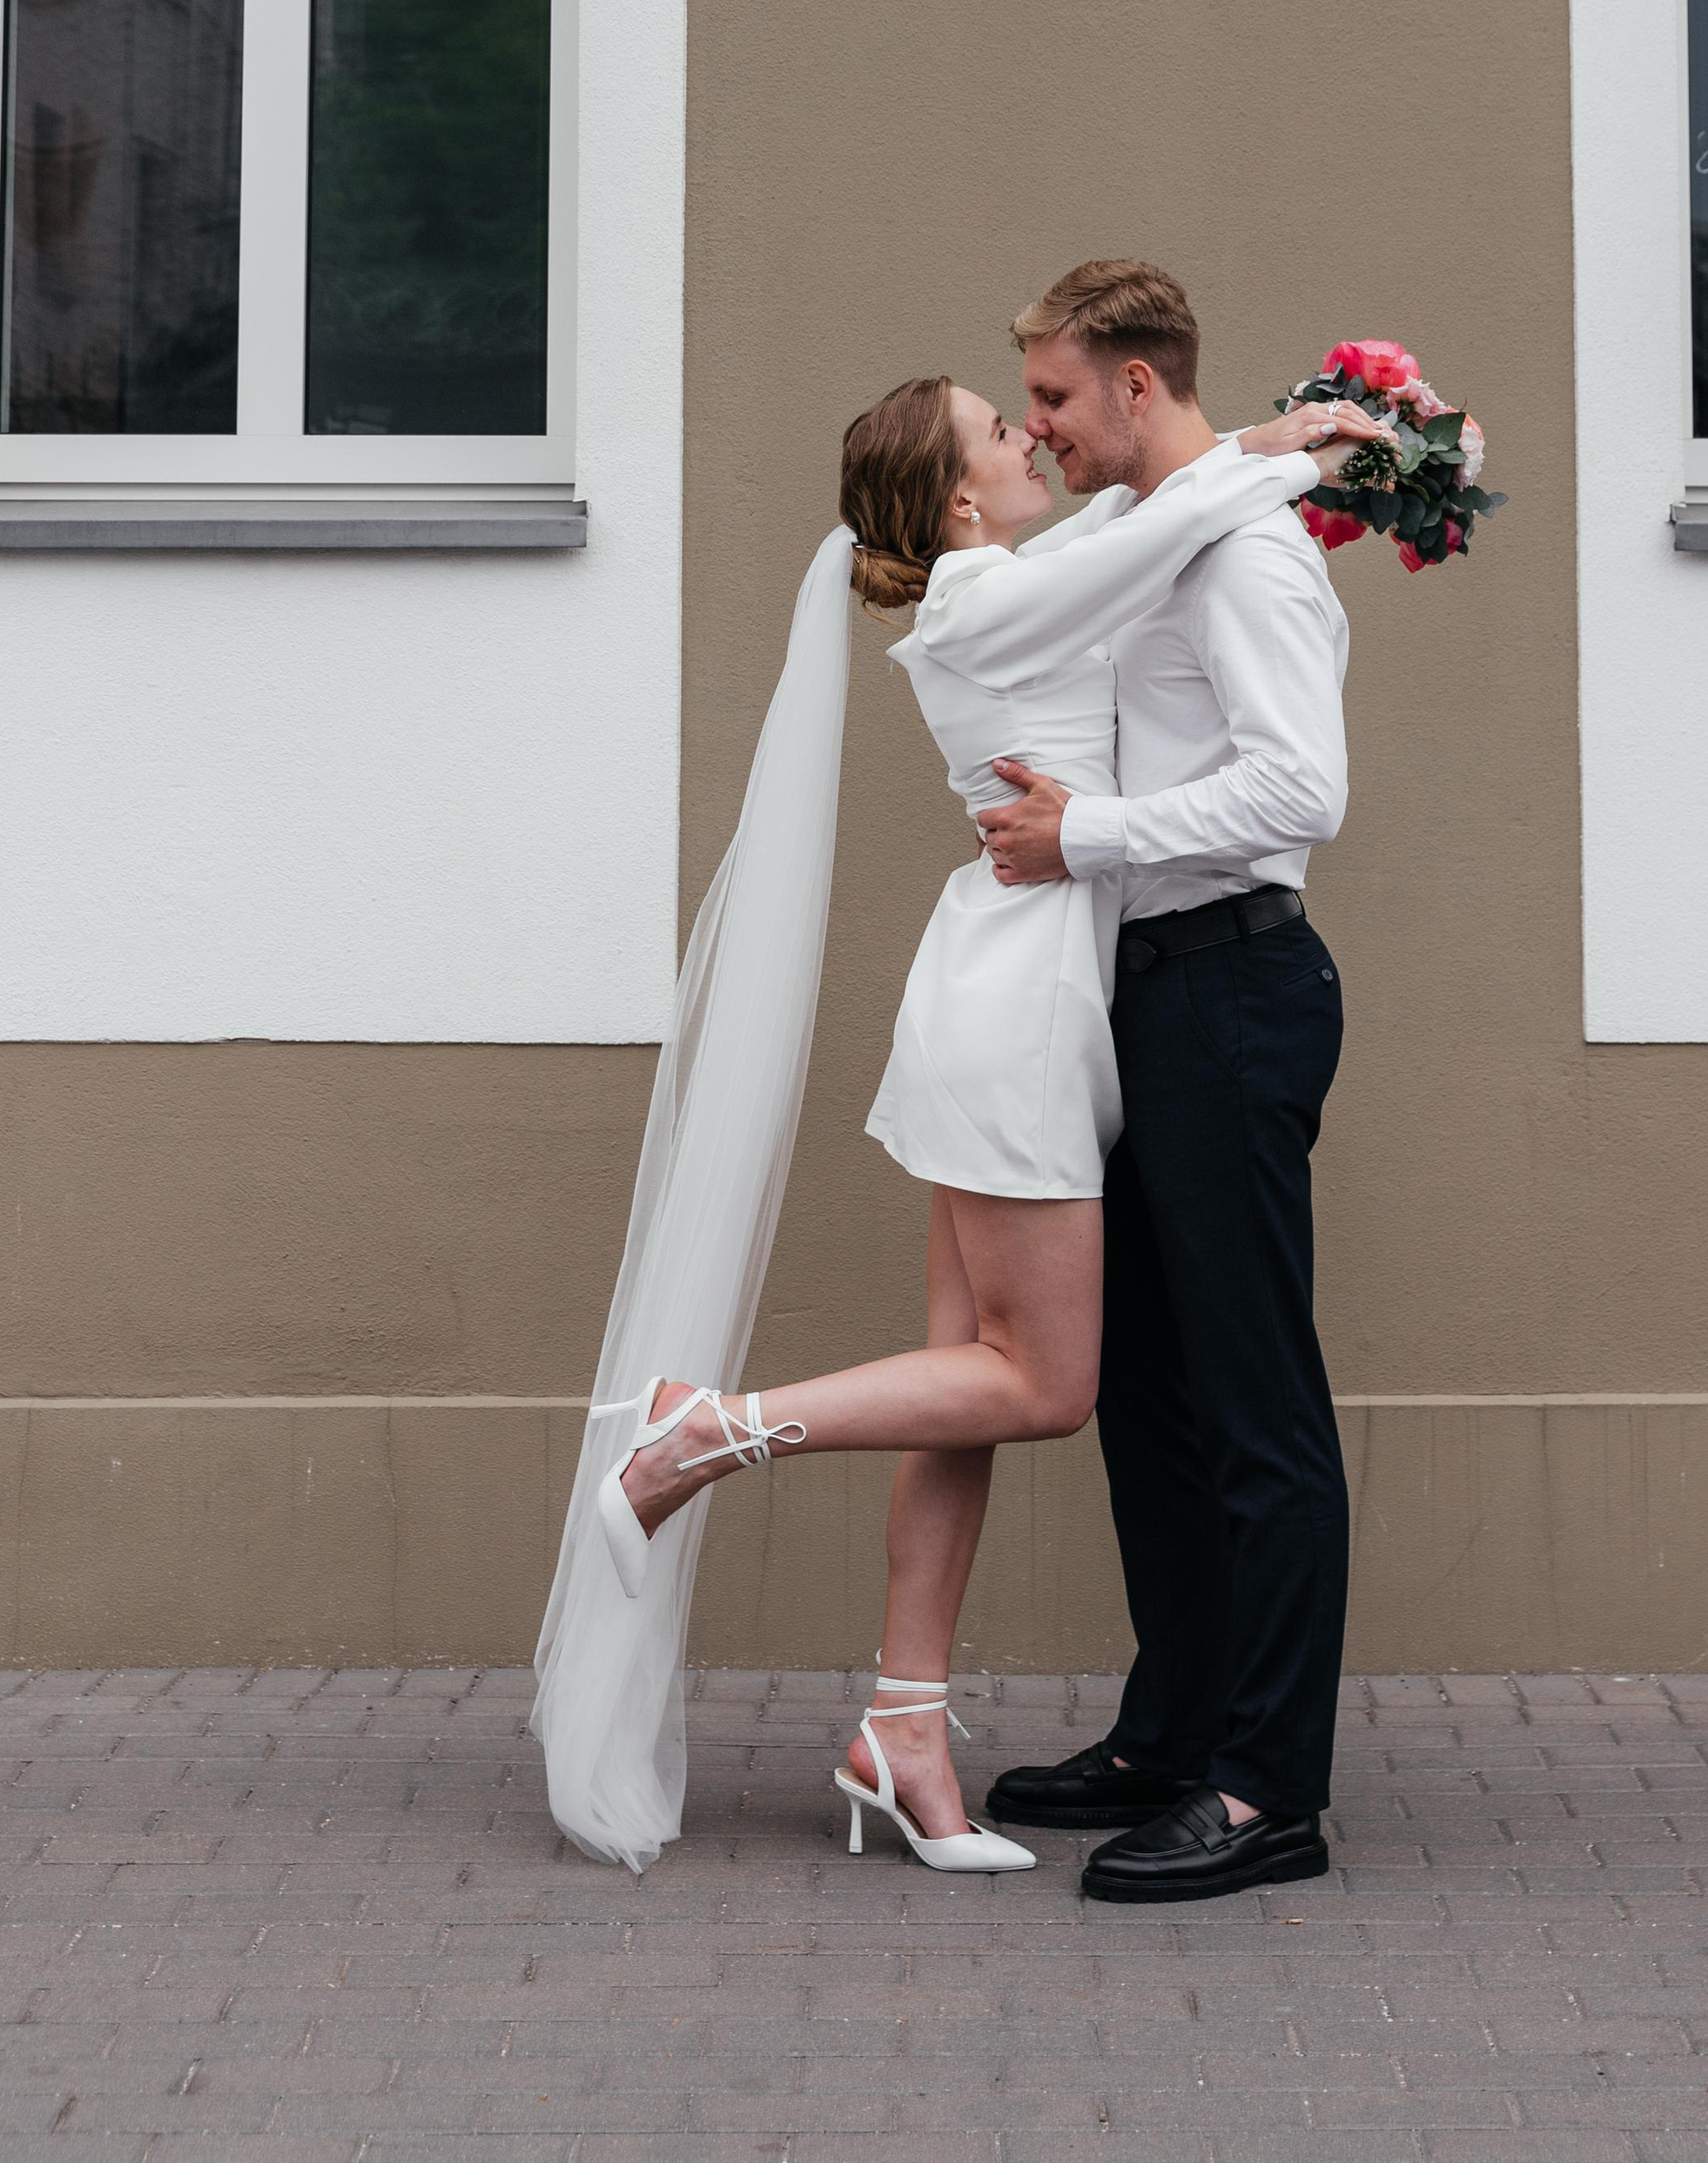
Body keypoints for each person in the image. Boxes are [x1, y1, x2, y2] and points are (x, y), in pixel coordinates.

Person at [531, 346, 1377, 1876]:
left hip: (1008, 987)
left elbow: (1136, 531)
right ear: (955, 497)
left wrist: (1268, 433)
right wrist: (1329, 450)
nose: (1031, 435)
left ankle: (903, 1725)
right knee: (1044, 1387)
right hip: (1026, 1009)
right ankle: (705, 1431)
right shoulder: (987, 599)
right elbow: (1153, 532)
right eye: (1006, 429)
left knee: (963, 1387)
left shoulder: (999, 584)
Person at [974, 259, 1355, 1905]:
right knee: (1148, 1395)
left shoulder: (1250, 558)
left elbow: (1300, 790)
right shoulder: (1170, 533)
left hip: (1236, 990)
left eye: (1054, 399)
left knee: (1256, 1409)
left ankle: (1269, 1792)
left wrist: (1090, 836)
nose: (1040, 431)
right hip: (1150, 997)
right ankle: (1173, 1727)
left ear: (1136, 385)